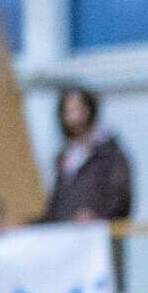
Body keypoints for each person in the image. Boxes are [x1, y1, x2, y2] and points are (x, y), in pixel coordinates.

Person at [40, 86, 134, 223]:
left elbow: (120, 196)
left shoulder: (108, 152)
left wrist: (97, 216)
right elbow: (55, 208)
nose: (74, 116)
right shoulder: (64, 156)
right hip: (67, 232)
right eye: (69, 110)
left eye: (77, 109)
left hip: (100, 232)